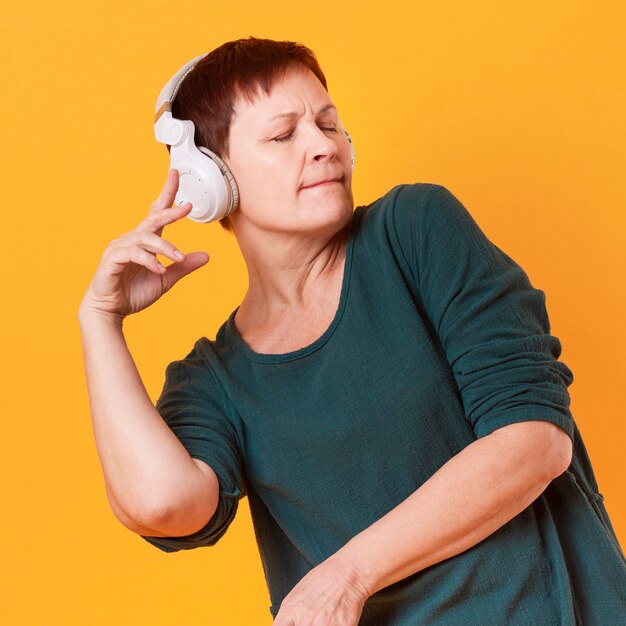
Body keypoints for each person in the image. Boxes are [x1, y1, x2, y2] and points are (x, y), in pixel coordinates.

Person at [78, 37, 626, 625]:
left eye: (329, 123)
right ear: (209, 180)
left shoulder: (414, 231)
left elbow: (535, 441)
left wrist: (348, 574)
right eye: (284, 134)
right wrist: (100, 321)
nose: (323, 147)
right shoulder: (216, 379)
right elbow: (163, 505)